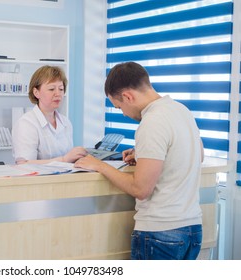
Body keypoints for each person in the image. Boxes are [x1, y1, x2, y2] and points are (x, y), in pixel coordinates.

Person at [74, 62, 204, 260]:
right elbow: (196, 155)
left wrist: (99, 165)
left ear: (128, 96)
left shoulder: (151, 121)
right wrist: (145, 154)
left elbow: (141, 189)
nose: (124, 113)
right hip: (192, 229)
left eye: (119, 107)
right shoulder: (181, 111)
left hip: (161, 233)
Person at [12, 65, 87, 164]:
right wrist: (63, 160)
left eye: (61, 89)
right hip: (38, 179)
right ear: (36, 92)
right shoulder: (26, 124)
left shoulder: (66, 122)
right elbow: (24, 164)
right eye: (51, 89)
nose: (58, 94)